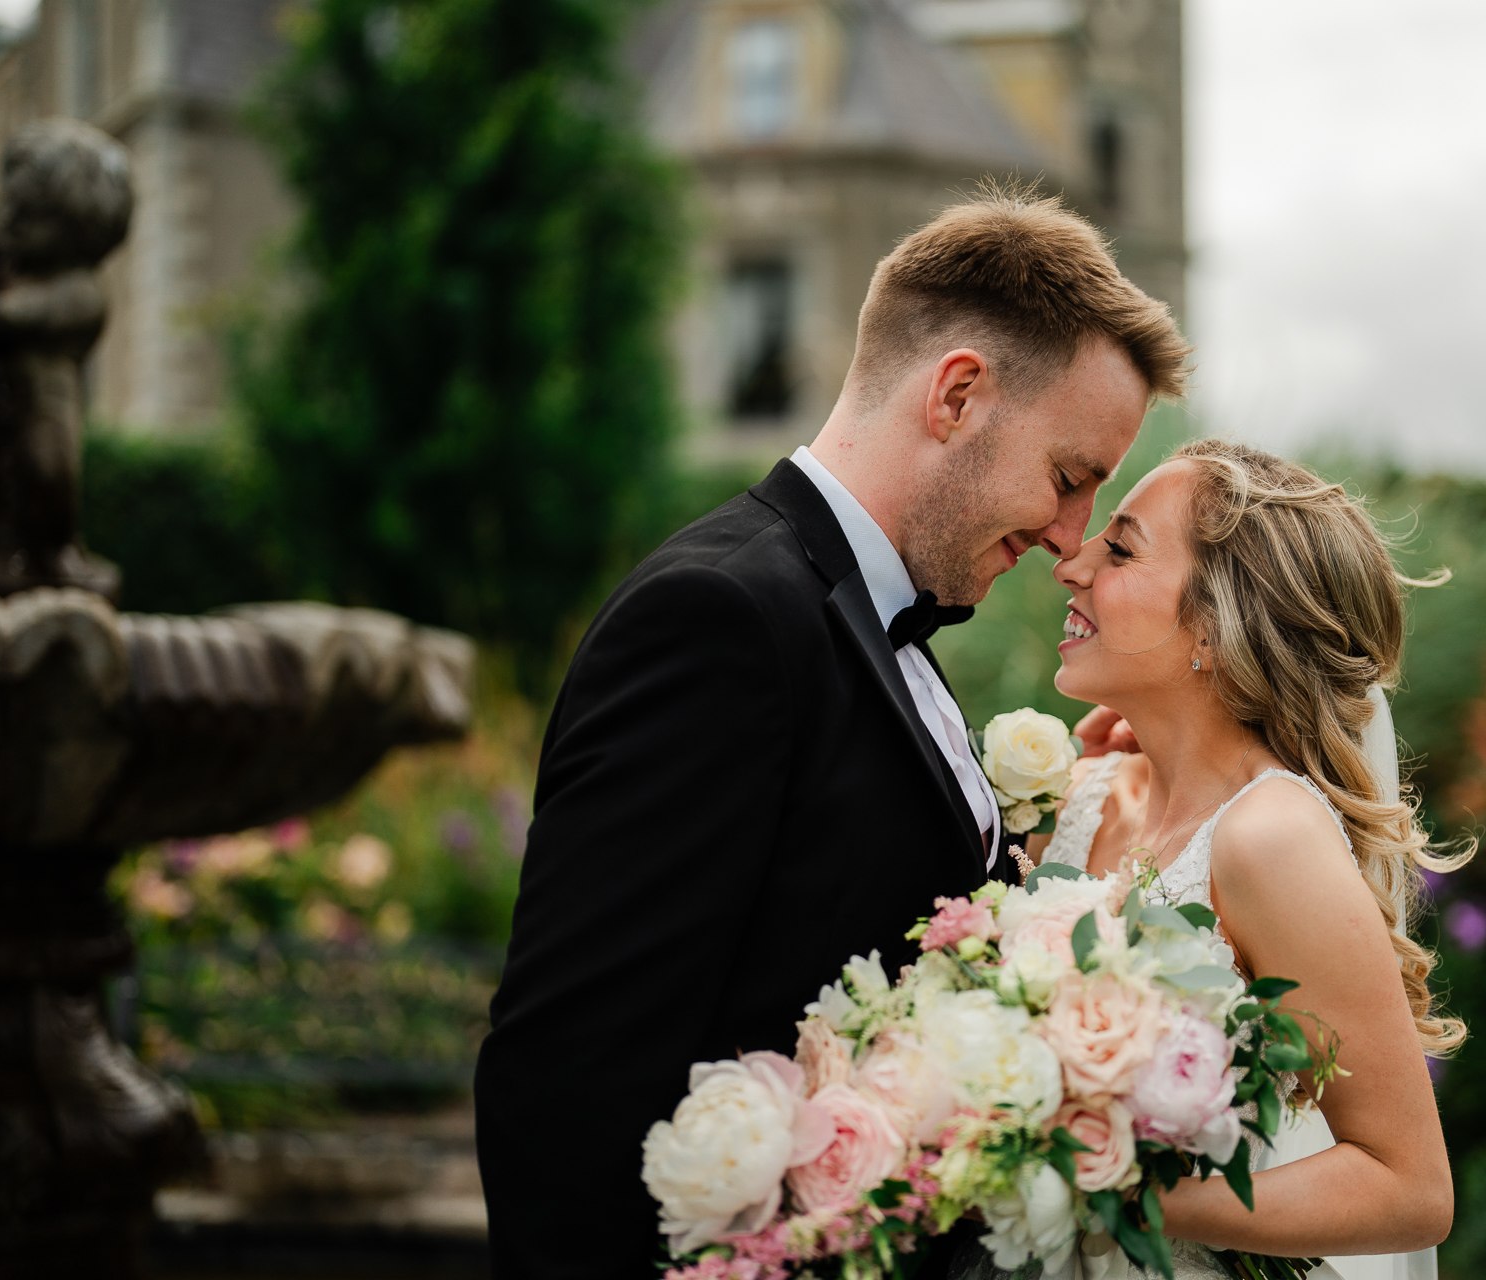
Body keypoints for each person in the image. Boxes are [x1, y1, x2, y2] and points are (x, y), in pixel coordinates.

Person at [473, 190, 1190, 1279]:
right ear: (958, 394)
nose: (1068, 538)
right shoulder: (719, 619)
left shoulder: (878, 617)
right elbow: (565, 1080)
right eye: (1069, 477)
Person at [973, 440, 1464, 1280]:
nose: (1072, 565)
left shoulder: (1269, 839)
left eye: (1121, 549)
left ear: (1215, 627)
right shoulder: (1085, 797)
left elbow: (1410, 1188)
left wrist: (1123, 1197)